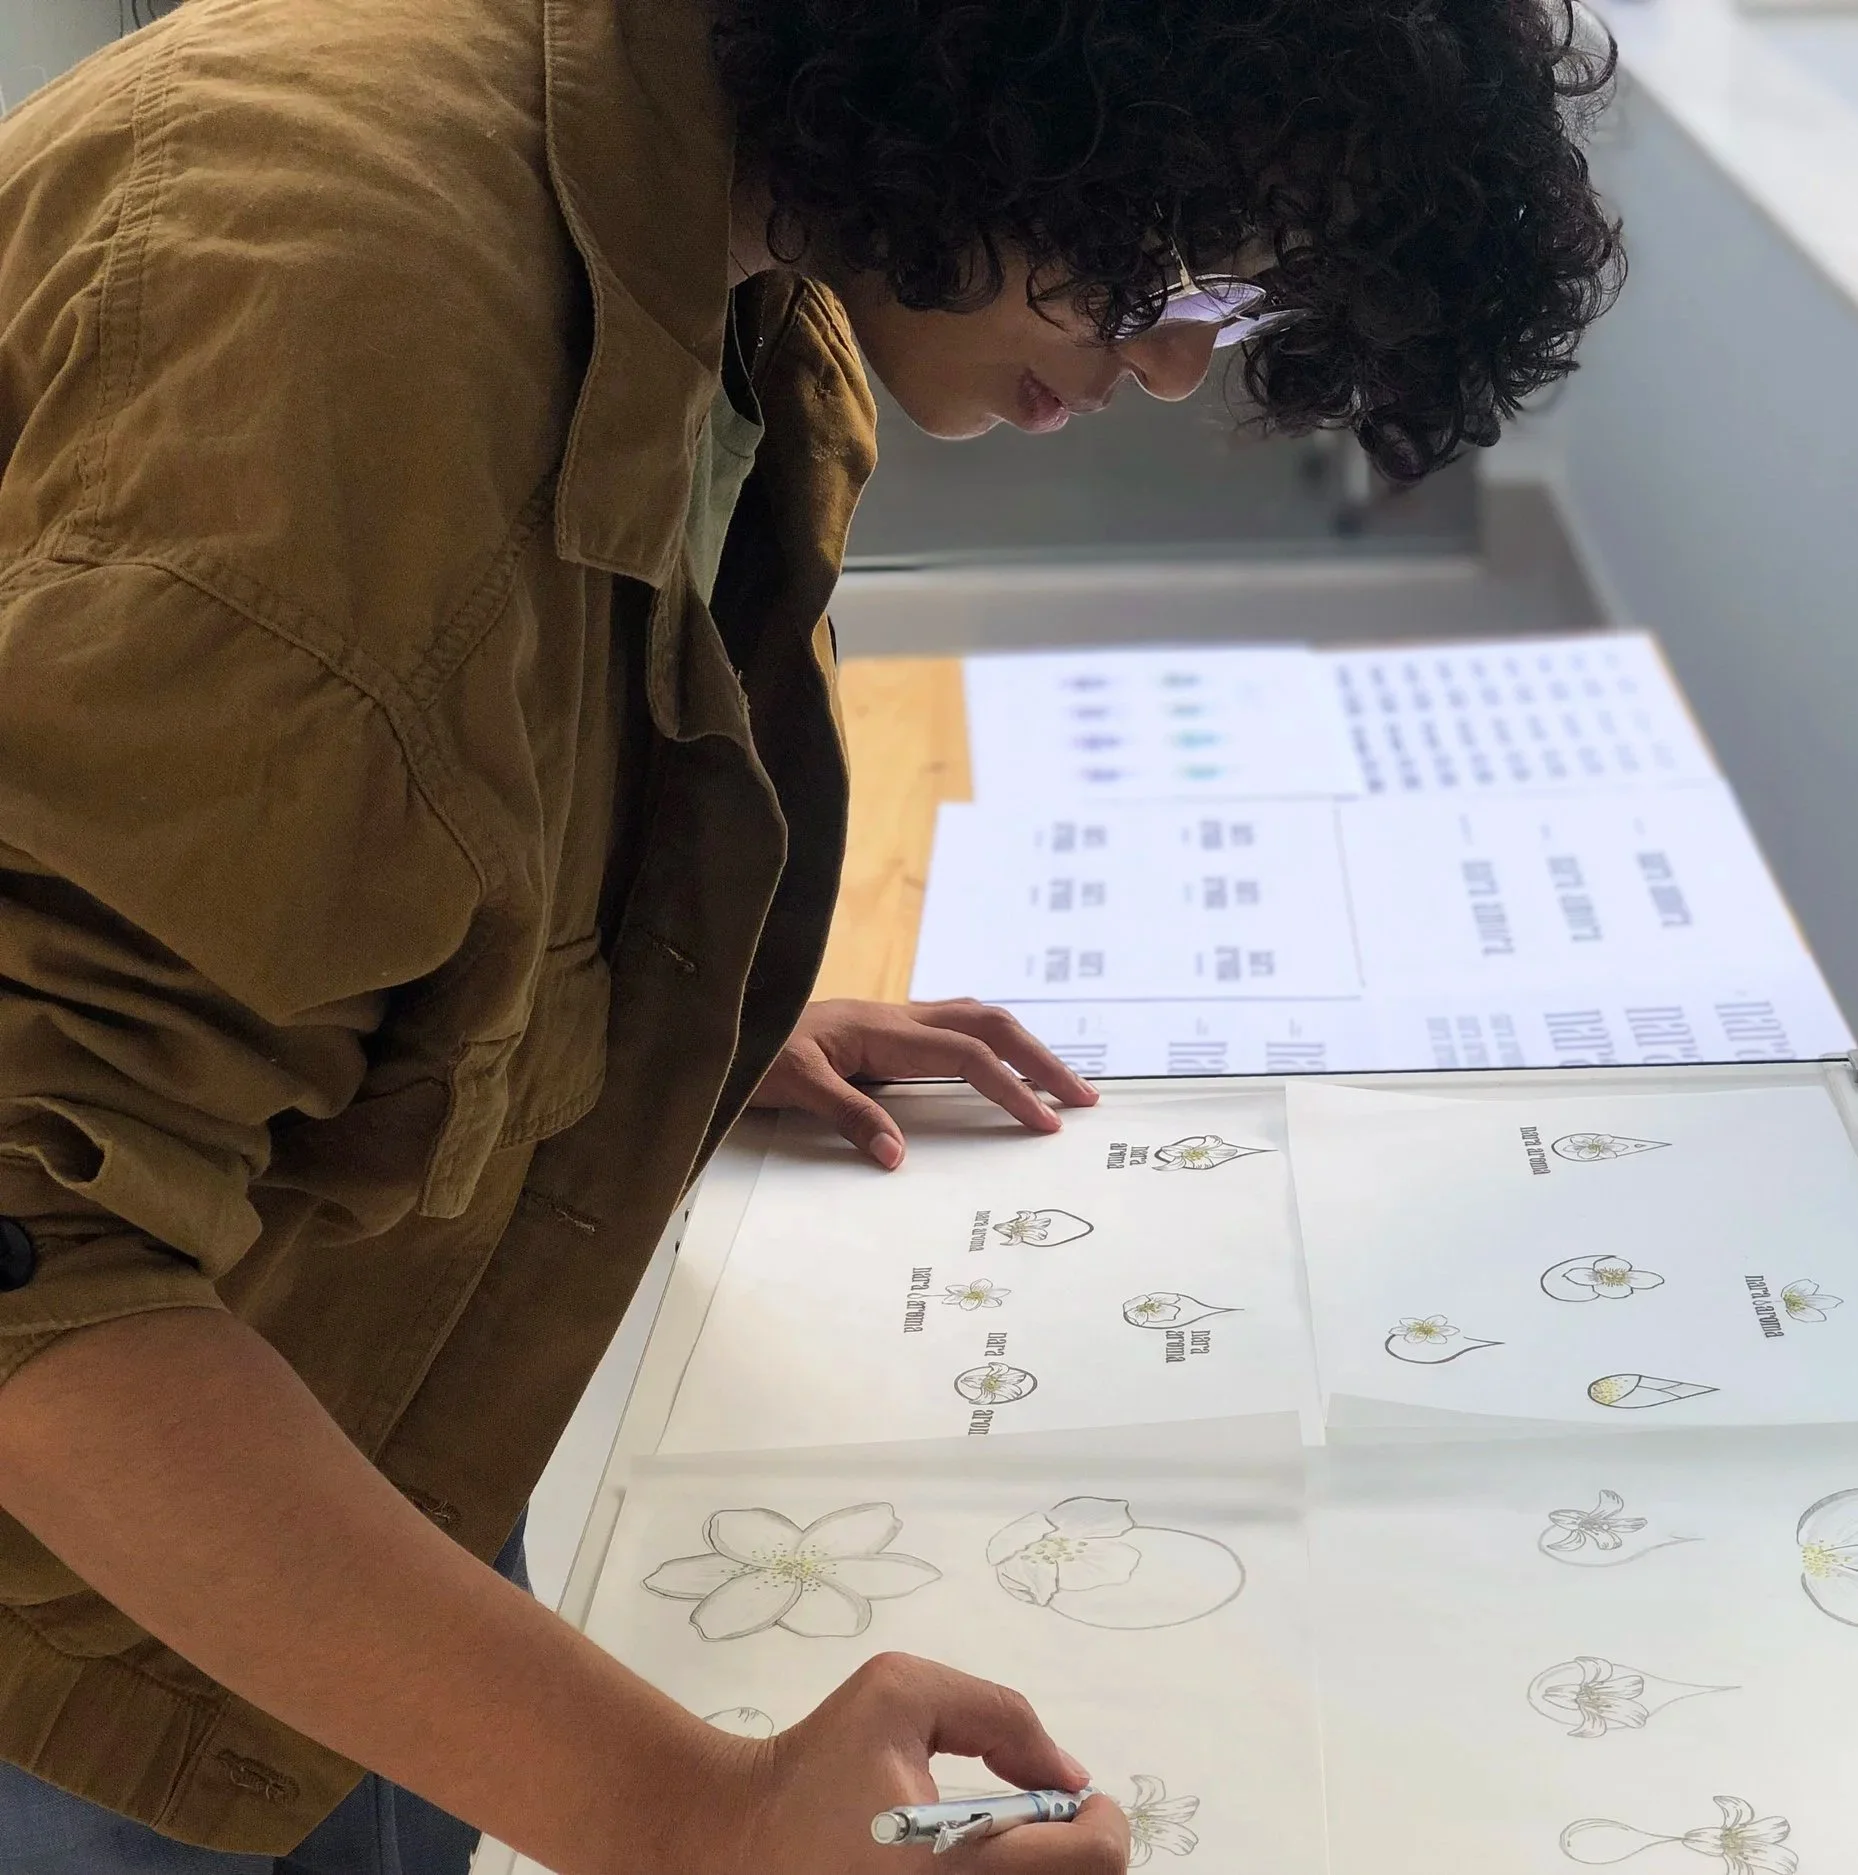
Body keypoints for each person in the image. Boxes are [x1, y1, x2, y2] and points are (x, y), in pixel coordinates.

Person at [0, 0, 1619, 1868]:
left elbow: (365, 768)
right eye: (1174, 252)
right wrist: (691, 1814)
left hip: (347, 1367)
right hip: (98, 1530)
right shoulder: (354, 309)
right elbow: (42, 1261)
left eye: (1235, 301)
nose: (1174, 358)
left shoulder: (710, 220)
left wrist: (589, 981)